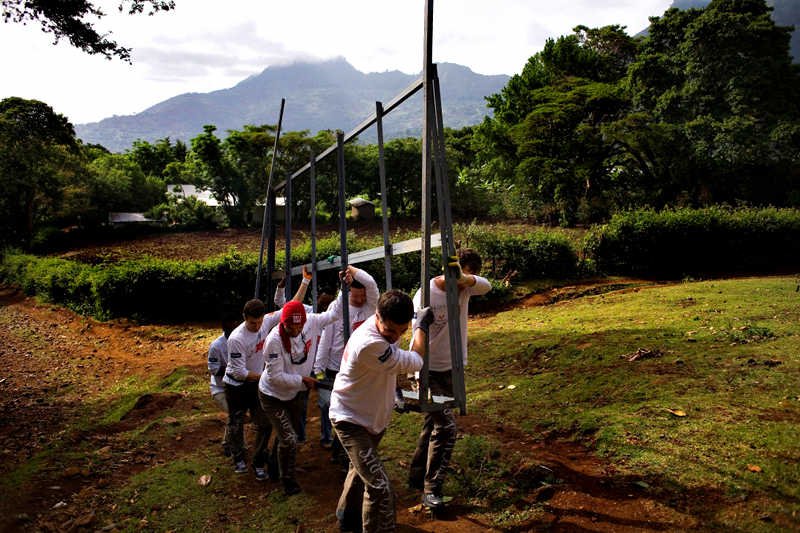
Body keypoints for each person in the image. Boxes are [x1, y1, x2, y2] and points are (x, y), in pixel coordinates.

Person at [330, 289, 434, 532]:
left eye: (401, 332)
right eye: (390, 331)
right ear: (377, 316)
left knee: (359, 474)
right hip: (350, 419)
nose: (394, 337)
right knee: (380, 486)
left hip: (371, 416)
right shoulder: (369, 344)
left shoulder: (384, 323)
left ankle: (346, 521)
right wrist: (421, 327)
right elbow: (416, 360)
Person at [407, 248, 491, 510]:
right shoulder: (426, 292)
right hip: (426, 369)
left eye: (467, 277)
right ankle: (432, 489)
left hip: (450, 368)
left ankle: (416, 475)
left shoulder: (465, 287)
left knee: (434, 420)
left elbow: (487, 287)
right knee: (446, 427)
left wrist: (466, 281)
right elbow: (415, 329)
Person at [258, 292, 341, 495]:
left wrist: (344, 289)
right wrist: (301, 380)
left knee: (286, 435)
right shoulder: (273, 341)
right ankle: (288, 482)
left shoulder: (311, 321)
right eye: (290, 327)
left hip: (295, 393)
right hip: (273, 396)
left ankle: (275, 466)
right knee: (289, 439)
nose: (295, 330)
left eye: (298, 326)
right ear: (283, 323)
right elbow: (275, 376)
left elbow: (335, 314)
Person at [223, 281, 308, 480]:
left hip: (258, 383)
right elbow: (239, 372)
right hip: (236, 386)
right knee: (236, 422)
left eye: (259, 322)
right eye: (253, 323)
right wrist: (267, 376)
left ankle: (258, 460)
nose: (257, 326)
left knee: (264, 423)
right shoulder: (237, 339)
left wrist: (305, 282)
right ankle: (238, 457)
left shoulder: (267, 321)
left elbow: (290, 308)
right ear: (244, 319)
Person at [314, 265, 379, 450]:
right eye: (355, 295)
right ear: (349, 291)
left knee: (351, 411)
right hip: (335, 367)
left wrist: (349, 267)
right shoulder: (338, 307)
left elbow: (372, 284)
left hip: (359, 368)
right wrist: (319, 371)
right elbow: (325, 340)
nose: (359, 299)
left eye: (362, 295)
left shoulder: (370, 306)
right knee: (328, 404)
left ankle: (340, 446)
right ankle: (326, 437)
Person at [274, 269, 336, 443]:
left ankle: (327, 437)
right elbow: (281, 303)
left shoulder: (331, 318)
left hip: (322, 369)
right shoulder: (306, 313)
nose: (324, 308)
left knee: (326, 403)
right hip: (304, 368)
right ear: (316, 300)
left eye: (327, 305)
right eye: (322, 303)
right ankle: (300, 435)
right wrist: (281, 287)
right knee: (301, 402)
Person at [206, 311, 240, 457]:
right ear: (224, 327)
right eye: (230, 325)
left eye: (235, 324)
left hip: (236, 387)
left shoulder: (240, 341)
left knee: (236, 416)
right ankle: (231, 446)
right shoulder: (216, 346)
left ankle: (229, 443)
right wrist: (233, 368)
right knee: (234, 415)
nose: (234, 327)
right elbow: (213, 370)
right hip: (219, 388)